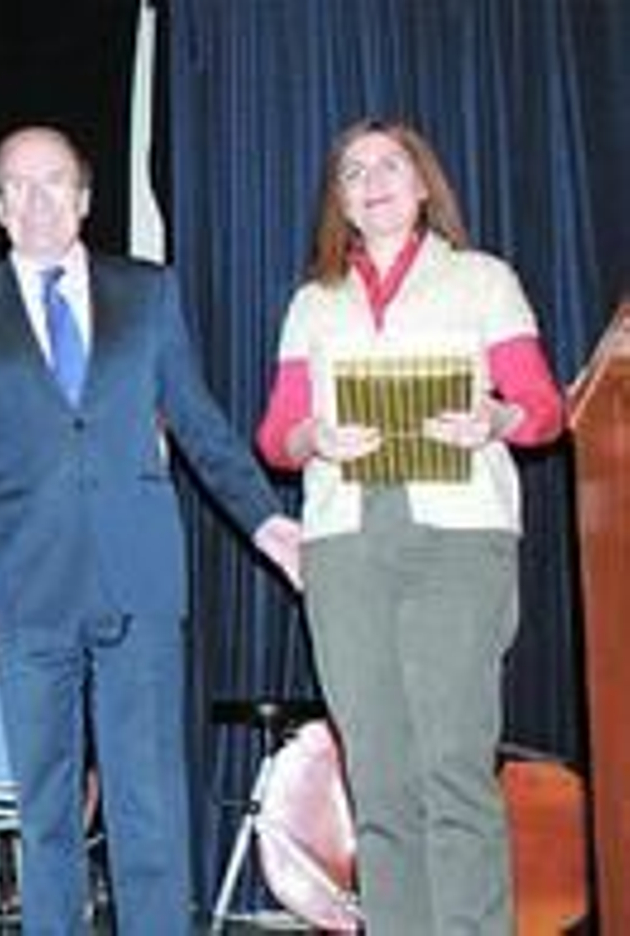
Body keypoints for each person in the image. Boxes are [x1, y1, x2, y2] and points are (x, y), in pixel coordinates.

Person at [0, 124, 302, 935]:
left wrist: (269, 525)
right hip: (22, 584)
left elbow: (199, 424)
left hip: (139, 576)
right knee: (47, 807)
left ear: (86, 198)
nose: (36, 200)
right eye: (15, 186)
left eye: (53, 182)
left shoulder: (149, 293)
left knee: (149, 802)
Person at [255, 118, 564, 934]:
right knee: (382, 778)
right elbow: (275, 434)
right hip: (346, 541)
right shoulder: (312, 302)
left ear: (424, 184)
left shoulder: (482, 279)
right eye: (353, 172)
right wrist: (311, 437)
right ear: (341, 202)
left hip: (459, 536)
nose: (372, 180)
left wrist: (495, 419)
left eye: (389, 165)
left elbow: (546, 411)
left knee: (453, 767)